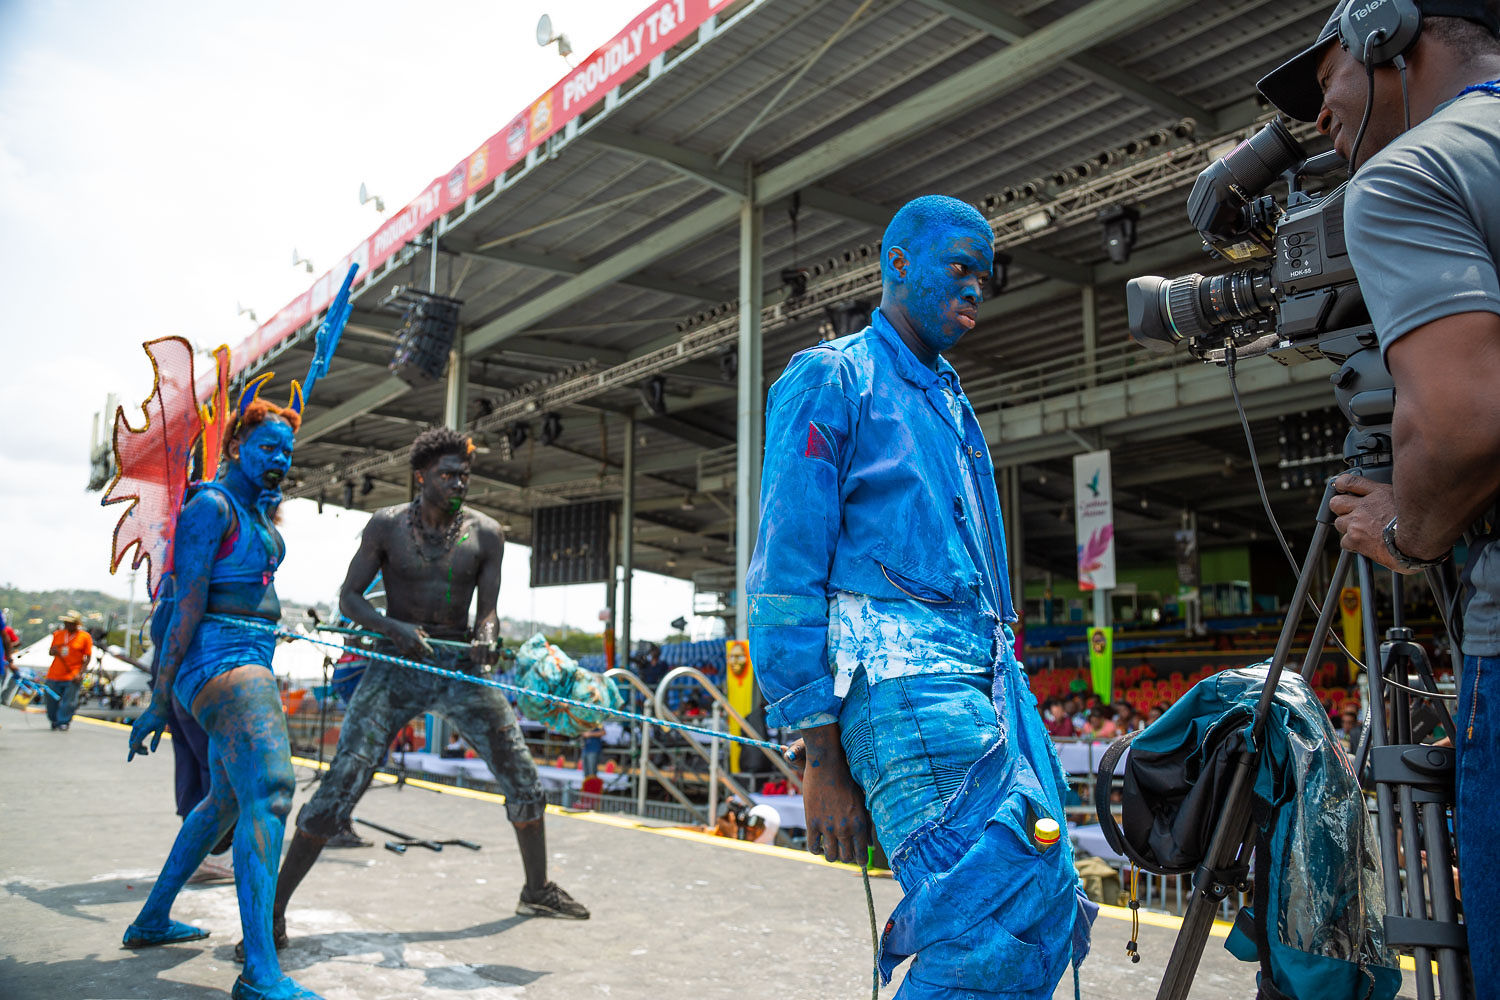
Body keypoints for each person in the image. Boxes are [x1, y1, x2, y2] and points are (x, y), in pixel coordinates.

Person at [747, 195, 1090, 999]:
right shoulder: (833, 377)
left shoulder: (950, 402)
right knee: (991, 916)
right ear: (898, 262)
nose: (976, 289)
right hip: (899, 686)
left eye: (985, 276)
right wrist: (820, 755)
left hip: (983, 684)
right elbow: (783, 571)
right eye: (959, 268)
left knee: (1043, 907)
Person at [1258, 1, 1500, 993]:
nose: (1321, 120)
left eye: (1324, 85)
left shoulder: (1412, 171)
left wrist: (1410, 530)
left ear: (1388, 35)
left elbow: (1457, 425)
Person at [269, 427, 587, 954]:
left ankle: (537, 890)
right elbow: (349, 598)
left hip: (457, 668)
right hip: (394, 668)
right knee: (343, 780)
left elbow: (486, 613)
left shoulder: (487, 534)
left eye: (465, 474)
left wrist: (486, 639)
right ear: (421, 476)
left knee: (524, 779)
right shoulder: (387, 526)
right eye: (448, 474)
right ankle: (273, 911)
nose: (459, 482)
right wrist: (393, 627)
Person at [122, 394, 323, 1000]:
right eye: (267, 447)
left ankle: (152, 919)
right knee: (273, 792)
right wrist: (160, 700)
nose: (279, 460)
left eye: (286, 452)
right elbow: (184, 604)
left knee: (224, 804)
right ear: (236, 446)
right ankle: (260, 972)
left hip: (249, 655)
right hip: (220, 660)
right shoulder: (211, 505)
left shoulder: (256, 512)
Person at [45, 610, 92, 730]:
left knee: (69, 701)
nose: (66, 624)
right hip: (54, 674)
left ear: (76, 624)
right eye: (65, 622)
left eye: (70, 622)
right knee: (50, 699)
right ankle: (54, 720)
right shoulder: (58, 634)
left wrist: (80, 673)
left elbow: (87, 657)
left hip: (72, 674)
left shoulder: (85, 637)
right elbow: (51, 651)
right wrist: (54, 651)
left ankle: (63, 721)